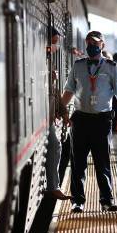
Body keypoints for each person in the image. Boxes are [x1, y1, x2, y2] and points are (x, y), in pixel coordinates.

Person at [61, 31, 117, 213]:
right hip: (81, 119)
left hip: (102, 120)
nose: (92, 46)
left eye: (96, 43)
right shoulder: (78, 66)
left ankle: (106, 200)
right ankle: (77, 201)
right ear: (86, 44)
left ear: (102, 46)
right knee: (78, 162)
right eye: (89, 42)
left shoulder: (112, 67)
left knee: (102, 162)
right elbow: (69, 90)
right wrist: (60, 109)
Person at [45, 27, 71, 200]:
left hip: (49, 115)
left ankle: (54, 186)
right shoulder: (38, 61)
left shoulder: (49, 62)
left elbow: (55, 91)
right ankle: (54, 186)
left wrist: (63, 111)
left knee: (56, 146)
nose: (55, 46)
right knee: (55, 145)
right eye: (53, 42)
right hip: (42, 118)